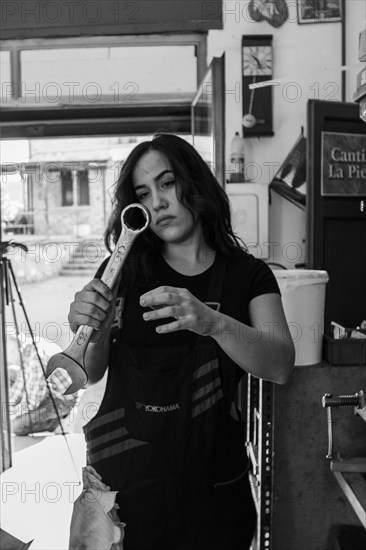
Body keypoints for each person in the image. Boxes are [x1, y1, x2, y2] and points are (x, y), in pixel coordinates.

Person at [68, 133, 295, 550]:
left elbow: (280, 364)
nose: (157, 202)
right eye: (143, 193)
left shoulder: (249, 276)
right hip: (125, 499)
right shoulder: (122, 269)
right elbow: (93, 369)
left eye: (167, 183)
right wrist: (92, 332)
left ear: (195, 183)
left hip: (213, 500)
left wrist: (212, 322)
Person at [7, 332, 78, 435]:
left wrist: (15, 415)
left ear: (18, 344)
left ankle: (61, 421)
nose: (9, 358)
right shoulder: (29, 347)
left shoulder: (34, 355)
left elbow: (34, 399)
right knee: (10, 372)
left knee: (16, 427)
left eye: (10, 351)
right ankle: (58, 417)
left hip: (61, 401)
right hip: (52, 393)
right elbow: (19, 385)